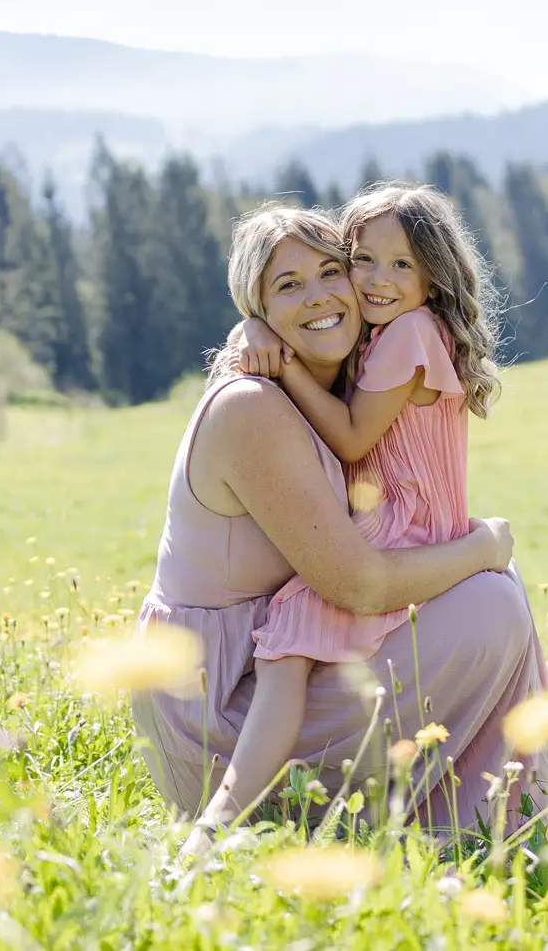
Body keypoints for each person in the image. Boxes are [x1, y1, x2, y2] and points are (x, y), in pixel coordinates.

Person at [132, 204, 548, 845]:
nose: (320, 296)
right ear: (257, 309)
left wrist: (254, 325)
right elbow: (360, 585)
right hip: (216, 708)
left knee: (491, 592)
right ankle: (230, 830)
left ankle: (461, 819)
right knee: (488, 601)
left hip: (272, 672)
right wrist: (480, 545)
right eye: (287, 285)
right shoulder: (252, 404)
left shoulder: (343, 374)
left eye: (332, 270)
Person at [227, 184, 503, 818]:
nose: (377, 280)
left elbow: (352, 438)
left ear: (433, 277)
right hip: (412, 520)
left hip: (404, 529)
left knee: (289, 640)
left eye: (401, 265)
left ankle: (230, 812)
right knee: (295, 650)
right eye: (362, 259)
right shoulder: (392, 330)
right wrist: (254, 322)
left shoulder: (407, 333)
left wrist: (283, 362)